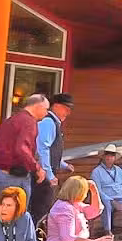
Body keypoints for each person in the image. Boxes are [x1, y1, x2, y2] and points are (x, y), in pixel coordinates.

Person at [0, 94, 49, 206]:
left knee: (1, 215)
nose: (46, 113)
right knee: (17, 217)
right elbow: (22, 148)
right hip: (13, 176)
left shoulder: (11, 119)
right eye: (46, 109)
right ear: (38, 107)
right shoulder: (29, 122)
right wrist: (37, 168)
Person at [31, 93, 76, 223]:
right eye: (66, 108)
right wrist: (49, 175)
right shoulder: (48, 122)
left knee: (44, 210)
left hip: (44, 174)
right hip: (41, 175)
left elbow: (52, 151)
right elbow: (42, 149)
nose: (68, 112)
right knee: (40, 211)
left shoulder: (53, 123)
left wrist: (63, 165)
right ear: (56, 106)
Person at [89, 144, 122, 236]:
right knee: (107, 205)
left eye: (112, 155)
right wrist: (112, 201)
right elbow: (98, 191)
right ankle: (107, 232)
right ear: (103, 157)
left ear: (115, 157)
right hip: (106, 199)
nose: (109, 157)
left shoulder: (118, 170)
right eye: (107, 155)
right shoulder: (96, 171)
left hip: (120, 199)